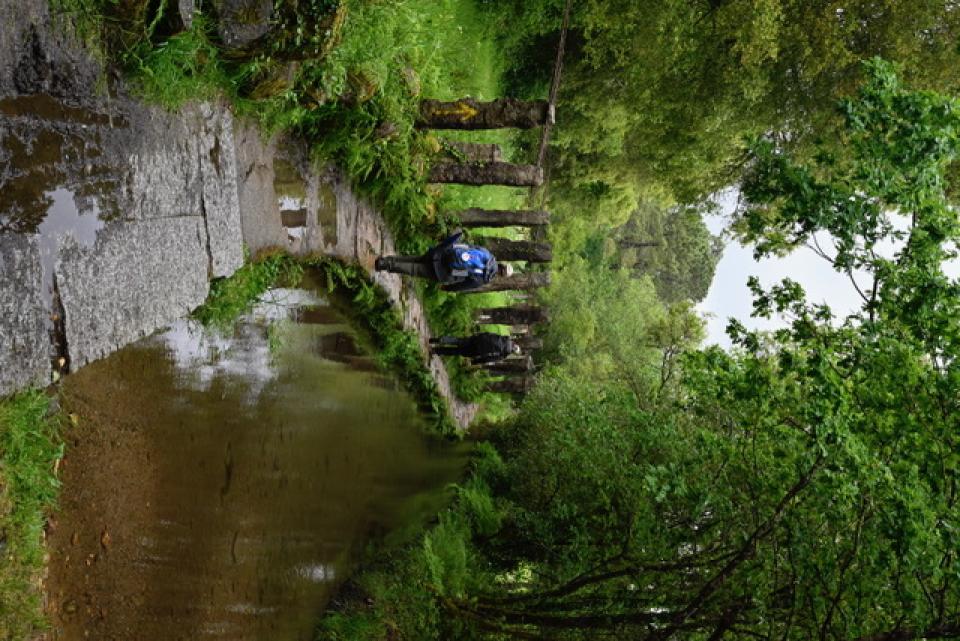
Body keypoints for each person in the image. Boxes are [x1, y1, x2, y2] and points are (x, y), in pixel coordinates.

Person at [375, 229, 513, 292]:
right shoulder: (484, 278)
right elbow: (463, 286)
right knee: (414, 270)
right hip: (444, 272)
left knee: (417, 259)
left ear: (501, 264)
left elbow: (467, 247)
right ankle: (385, 265)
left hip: (442, 254)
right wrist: (447, 288)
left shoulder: (486, 253)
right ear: (501, 275)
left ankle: (386, 260)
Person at [429, 332, 521, 364]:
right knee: (457, 351)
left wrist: (479, 335)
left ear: (514, 344)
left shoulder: (505, 338)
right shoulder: (504, 355)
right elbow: (489, 359)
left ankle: (436, 340)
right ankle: (436, 351)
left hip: (478, 339)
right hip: (478, 351)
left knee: (458, 341)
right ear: (512, 352)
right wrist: (475, 362)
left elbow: (491, 335)